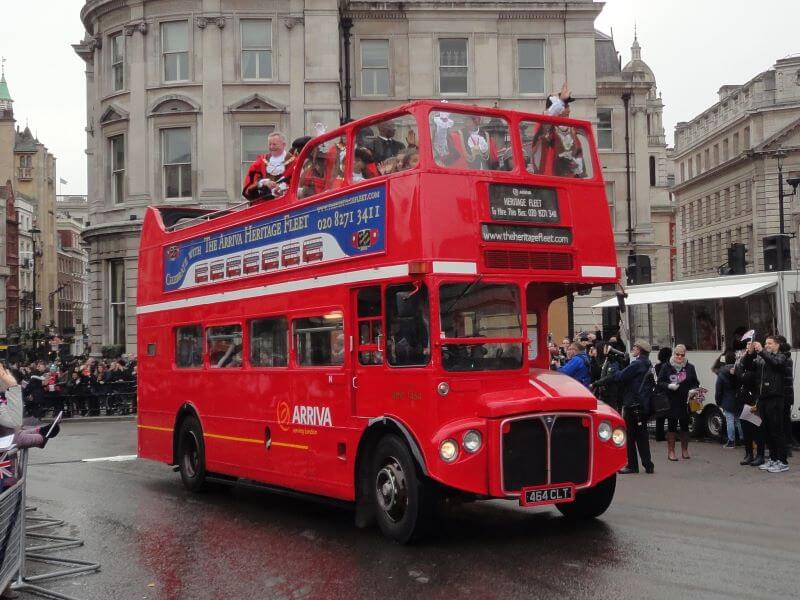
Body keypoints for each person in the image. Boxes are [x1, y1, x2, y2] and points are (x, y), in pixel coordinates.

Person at [593, 339, 654, 474]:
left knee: (631, 435)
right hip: (642, 403)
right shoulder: (647, 363)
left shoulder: (637, 364)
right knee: (642, 435)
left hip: (632, 403)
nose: (633, 349)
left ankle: (632, 465)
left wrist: (614, 363)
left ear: (639, 350)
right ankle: (648, 464)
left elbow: (619, 376)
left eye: (635, 347)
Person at [740, 336, 789, 473]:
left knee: (776, 431)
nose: (766, 345)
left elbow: (775, 363)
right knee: (766, 431)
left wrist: (761, 351)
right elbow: (749, 367)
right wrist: (750, 353)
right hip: (762, 398)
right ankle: (773, 459)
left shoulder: (782, 356)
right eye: (765, 343)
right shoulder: (762, 357)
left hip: (775, 398)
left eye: (769, 343)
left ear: (777, 344)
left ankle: (783, 461)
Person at [656, 344, 700, 461]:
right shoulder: (667, 367)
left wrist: (693, 390)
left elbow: (696, 382)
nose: (679, 357)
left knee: (685, 425)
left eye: (682, 355)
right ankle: (671, 451)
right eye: (677, 354)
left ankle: (685, 450)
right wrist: (669, 386)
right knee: (672, 426)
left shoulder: (690, 367)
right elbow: (659, 382)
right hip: (671, 401)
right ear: (673, 354)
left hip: (685, 401)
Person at [241, 132, 296, 201]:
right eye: (270, 144)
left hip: (286, 203)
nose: (271, 147)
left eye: (274, 144)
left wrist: (282, 187)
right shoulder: (260, 162)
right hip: (264, 204)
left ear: (283, 145)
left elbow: (298, 184)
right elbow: (248, 186)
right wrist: (263, 183)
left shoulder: (294, 162)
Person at [715, 350, 743, 449]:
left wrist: (718, 401)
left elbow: (718, 389)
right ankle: (743, 439)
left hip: (727, 399)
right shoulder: (739, 370)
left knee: (730, 420)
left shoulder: (722, 372)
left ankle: (731, 441)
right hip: (739, 398)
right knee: (739, 420)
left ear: (725, 360)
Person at [653, 346, 673, 442]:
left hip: (659, 392)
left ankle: (659, 435)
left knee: (660, 415)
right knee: (670, 414)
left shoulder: (657, 366)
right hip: (667, 391)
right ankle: (670, 435)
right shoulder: (669, 366)